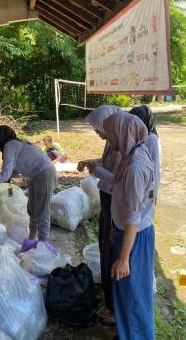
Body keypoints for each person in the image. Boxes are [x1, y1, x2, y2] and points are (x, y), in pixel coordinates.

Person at [103, 112, 156, 340]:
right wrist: (116, 229)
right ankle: (127, 334)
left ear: (122, 133)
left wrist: (124, 258)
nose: (109, 140)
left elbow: (134, 216)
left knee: (134, 295)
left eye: (111, 135)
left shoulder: (135, 167)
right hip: (127, 234)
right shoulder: (130, 156)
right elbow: (124, 203)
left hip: (134, 237)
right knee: (125, 293)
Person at [0, 125, 57, 247]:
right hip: (36, 175)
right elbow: (12, 171)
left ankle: (43, 246)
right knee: (33, 209)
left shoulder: (10, 146)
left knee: (42, 211)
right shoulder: (13, 145)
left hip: (44, 174)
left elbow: (6, 174)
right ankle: (32, 241)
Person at [77, 105, 122, 325]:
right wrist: (91, 162)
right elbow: (106, 164)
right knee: (105, 246)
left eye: (98, 129)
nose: (97, 133)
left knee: (113, 250)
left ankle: (114, 306)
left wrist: (95, 170)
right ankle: (107, 290)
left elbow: (116, 179)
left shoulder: (123, 145)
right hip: (106, 197)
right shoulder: (110, 142)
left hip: (115, 200)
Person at [130, 105, 161, 197]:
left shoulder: (151, 138)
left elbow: (156, 166)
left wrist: (154, 193)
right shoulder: (133, 135)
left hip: (147, 184)